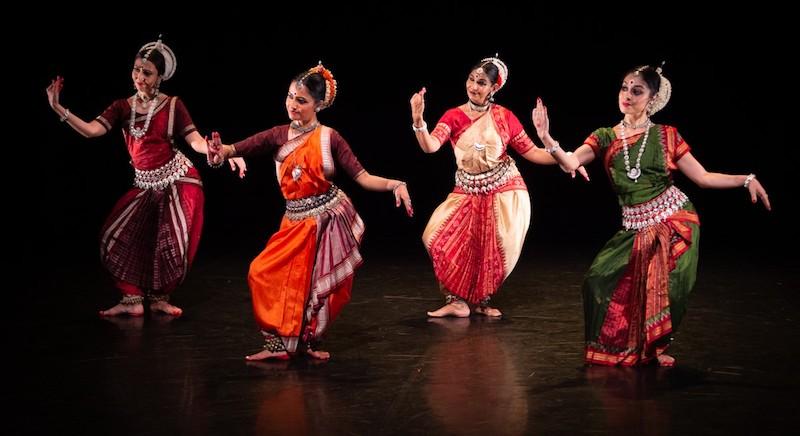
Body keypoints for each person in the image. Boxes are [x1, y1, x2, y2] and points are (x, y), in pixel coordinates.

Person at [532, 63, 771, 367]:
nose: (627, 95)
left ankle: (654, 348)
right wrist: (547, 137)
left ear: (653, 98)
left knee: (664, 286)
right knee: (598, 280)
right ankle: (626, 347)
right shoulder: (605, 136)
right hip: (635, 225)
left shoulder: (667, 136)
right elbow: (569, 163)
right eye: (624, 88)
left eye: (637, 90)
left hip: (673, 220)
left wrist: (746, 179)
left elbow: (703, 177)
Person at [208, 63, 413, 361]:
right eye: (290, 96)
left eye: (301, 100)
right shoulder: (279, 134)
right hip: (293, 221)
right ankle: (277, 344)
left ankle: (304, 342)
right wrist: (220, 153)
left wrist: (396, 184)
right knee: (261, 273)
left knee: (312, 287)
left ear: (319, 104)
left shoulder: (330, 138)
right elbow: (237, 148)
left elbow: (363, 177)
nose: (293, 104)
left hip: (326, 221)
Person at [46, 37, 246, 318]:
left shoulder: (173, 105)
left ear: (160, 77)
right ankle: (133, 300)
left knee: (170, 243)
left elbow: (197, 141)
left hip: (178, 180)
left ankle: (160, 298)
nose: (139, 77)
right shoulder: (121, 107)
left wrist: (221, 151)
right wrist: (58, 108)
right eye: (137, 70)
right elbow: (92, 131)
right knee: (115, 236)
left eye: (147, 72)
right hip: (145, 184)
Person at [409, 56, 582, 318]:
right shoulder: (454, 115)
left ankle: (482, 300)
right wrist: (419, 120)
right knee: (436, 236)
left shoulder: (504, 118)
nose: (473, 86)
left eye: (481, 83)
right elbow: (430, 146)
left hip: (504, 187)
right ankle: (456, 301)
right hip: (467, 188)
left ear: (494, 88)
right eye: (471, 79)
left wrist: (567, 158)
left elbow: (533, 152)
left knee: (494, 243)